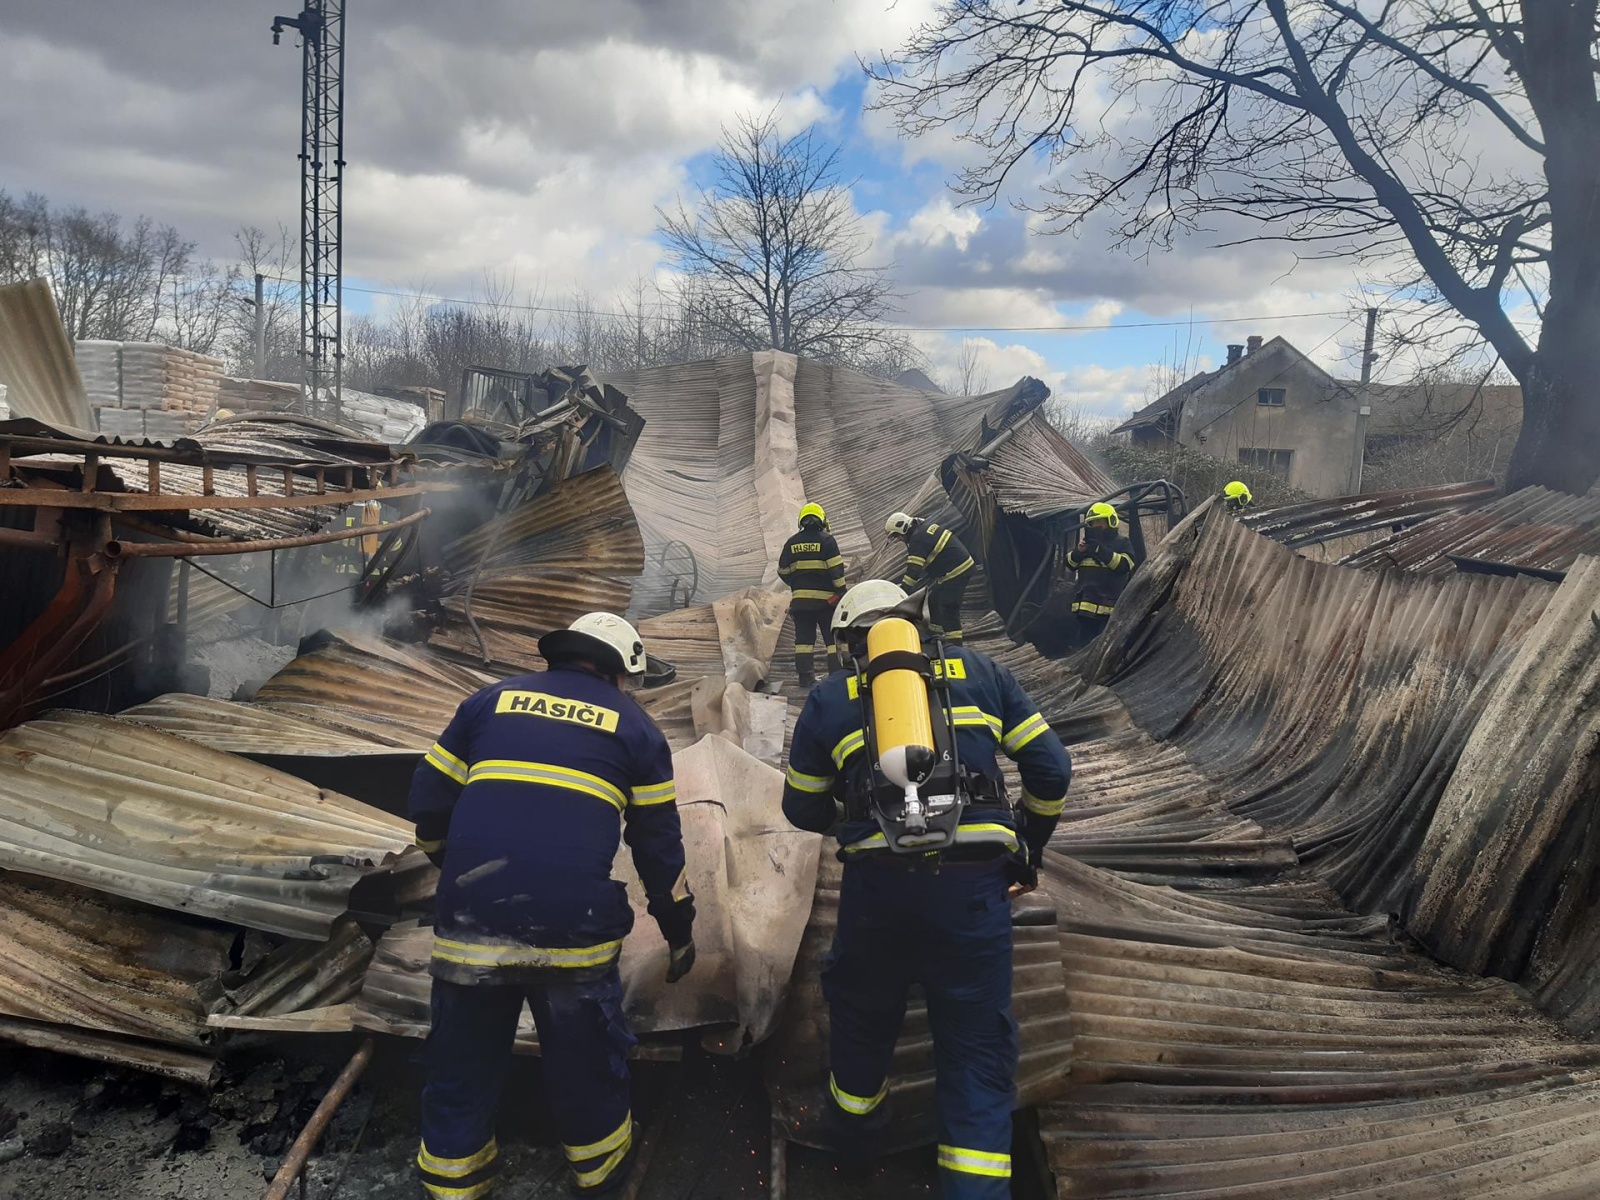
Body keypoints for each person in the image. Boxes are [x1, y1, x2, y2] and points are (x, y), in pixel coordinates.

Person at [781, 580, 1072, 1199]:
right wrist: (1030, 845)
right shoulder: (983, 674)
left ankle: (854, 1154)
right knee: (975, 1051)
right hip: (972, 889)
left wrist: (856, 814)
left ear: (851, 642)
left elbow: (800, 807)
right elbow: (1052, 768)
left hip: (879, 891)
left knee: (862, 1022)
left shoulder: (831, 697)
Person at [409, 612, 697, 1199]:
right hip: (571, 932)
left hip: (471, 922)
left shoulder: (487, 702)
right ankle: (600, 1172)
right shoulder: (638, 730)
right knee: (586, 1061)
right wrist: (678, 930)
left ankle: (452, 1182)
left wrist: (458, 874)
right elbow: (659, 849)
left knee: (461, 1062)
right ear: (623, 672)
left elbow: (429, 804)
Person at [777, 502, 848, 690]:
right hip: (826, 602)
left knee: (803, 641)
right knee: (831, 640)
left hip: (801, 602)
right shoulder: (827, 541)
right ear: (822, 520)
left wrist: (796, 582)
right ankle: (836, 676)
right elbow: (836, 570)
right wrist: (841, 591)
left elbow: (782, 570)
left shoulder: (792, 542)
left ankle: (805, 678)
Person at [885, 512, 976, 642]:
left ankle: (955, 643)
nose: (899, 539)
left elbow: (913, 571)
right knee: (933, 601)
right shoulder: (923, 528)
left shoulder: (917, 539)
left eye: (897, 535)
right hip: (953, 571)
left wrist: (904, 592)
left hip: (956, 572)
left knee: (948, 607)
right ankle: (935, 636)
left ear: (903, 528)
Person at [1065, 501, 1136, 648]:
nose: (1095, 526)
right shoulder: (1086, 545)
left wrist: (1101, 551)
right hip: (1085, 610)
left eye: (1099, 522)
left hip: (1109, 610)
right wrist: (1079, 552)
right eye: (1092, 523)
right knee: (1083, 646)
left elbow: (1125, 566)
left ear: (1111, 521)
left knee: (1105, 646)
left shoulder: (1122, 543)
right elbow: (1069, 564)